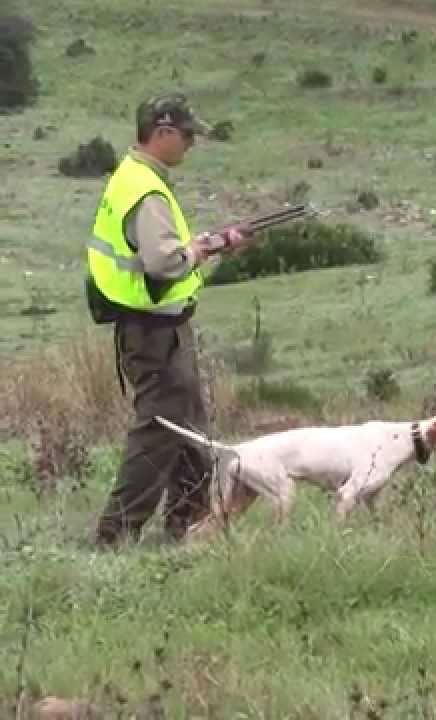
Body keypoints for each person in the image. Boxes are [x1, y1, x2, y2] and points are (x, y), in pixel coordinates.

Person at [85, 93, 253, 549]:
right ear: (161, 133)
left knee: (190, 430)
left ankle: (188, 525)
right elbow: (164, 264)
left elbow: (158, 259)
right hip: (156, 334)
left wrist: (209, 245)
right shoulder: (146, 190)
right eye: (186, 135)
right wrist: (202, 249)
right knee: (159, 430)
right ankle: (115, 536)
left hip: (158, 328)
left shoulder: (133, 177)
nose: (191, 145)